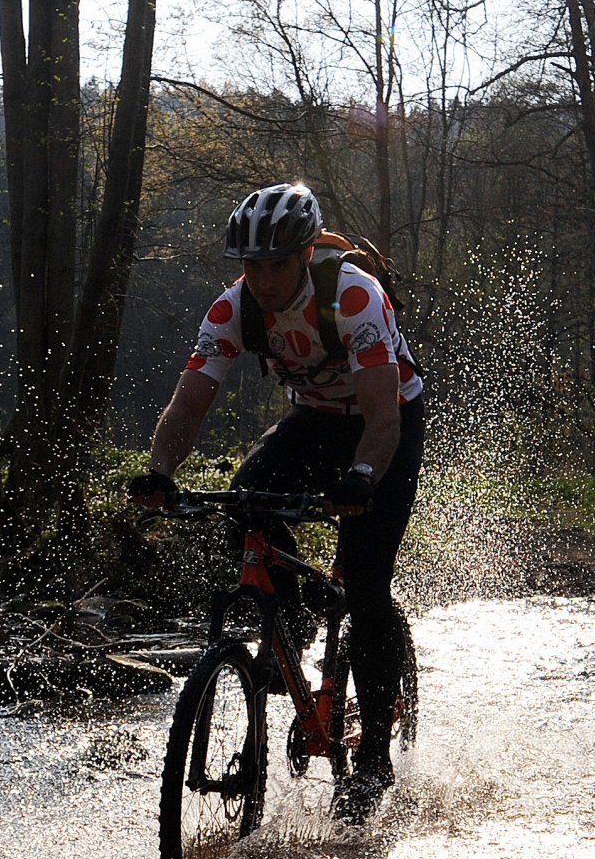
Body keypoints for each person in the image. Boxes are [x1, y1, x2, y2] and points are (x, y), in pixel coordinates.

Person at [129, 182, 425, 822]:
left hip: (387, 424)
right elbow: (188, 405)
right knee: (245, 500)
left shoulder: (352, 296)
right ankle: (291, 618)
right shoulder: (232, 310)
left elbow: (381, 414)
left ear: (303, 254)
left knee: (369, 584)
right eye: (249, 265)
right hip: (315, 421)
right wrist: (158, 471)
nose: (260, 279)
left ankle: (373, 751)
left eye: (273, 265)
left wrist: (364, 475)